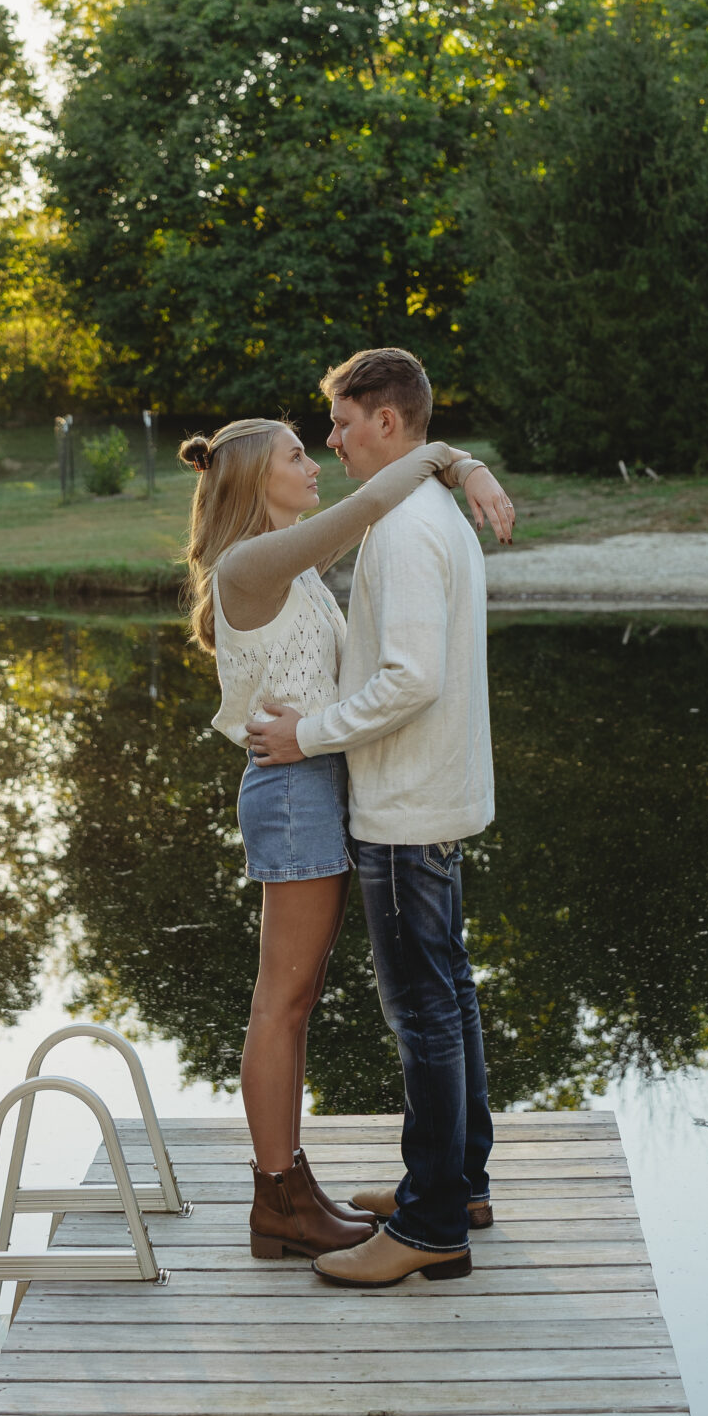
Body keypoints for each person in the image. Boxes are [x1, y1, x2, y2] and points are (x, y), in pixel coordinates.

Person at [180, 414, 513, 1263]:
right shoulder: (251, 565)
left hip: (316, 781)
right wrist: (451, 458)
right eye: (297, 453)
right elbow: (370, 504)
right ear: (259, 480)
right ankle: (277, 1198)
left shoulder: (289, 566)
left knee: (296, 1004)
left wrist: (457, 459)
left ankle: (295, 1189)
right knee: (280, 1004)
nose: (317, 460)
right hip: (293, 790)